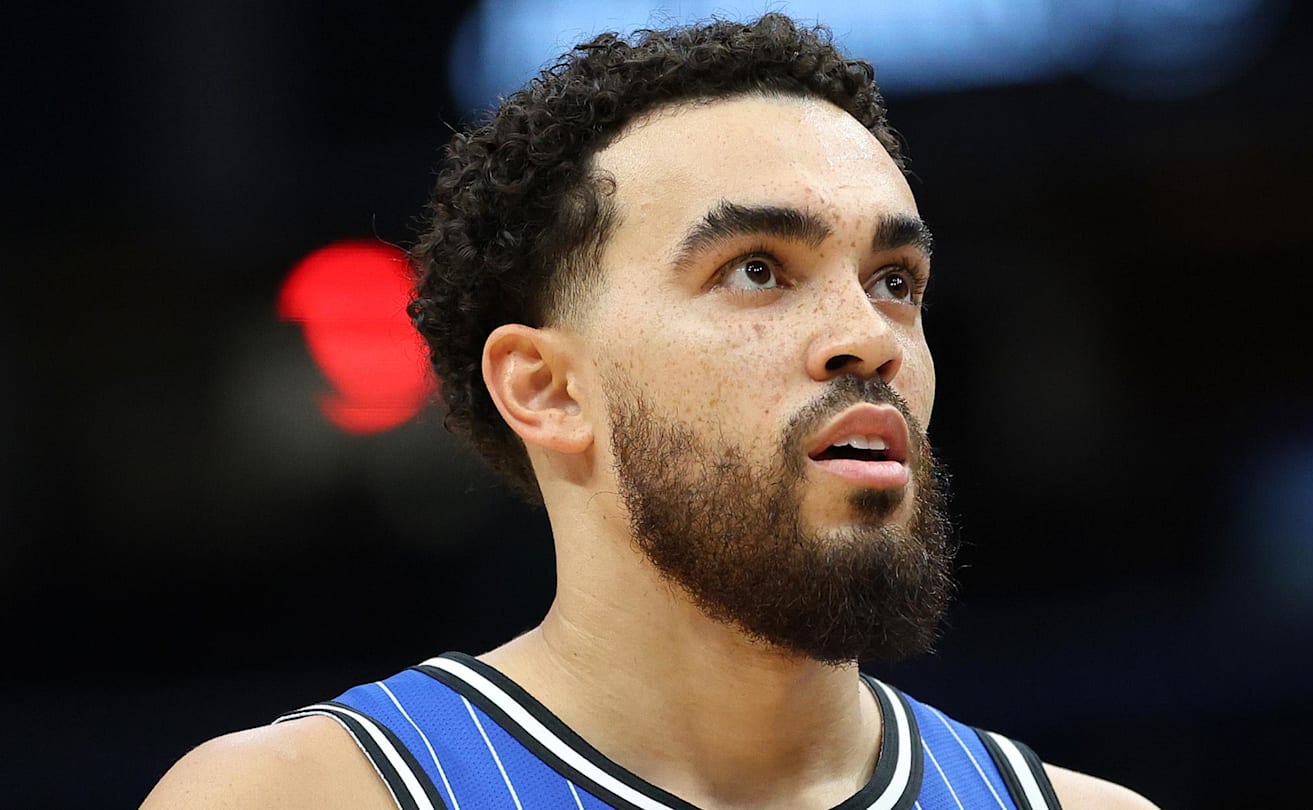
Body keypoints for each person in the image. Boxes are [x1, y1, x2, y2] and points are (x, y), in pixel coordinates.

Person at [143, 13, 1159, 810]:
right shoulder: (300, 797)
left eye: (895, 279)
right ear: (547, 389)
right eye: (758, 270)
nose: (871, 336)